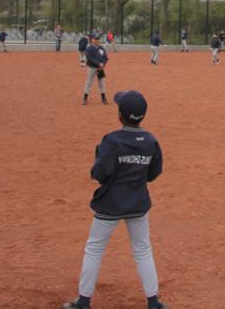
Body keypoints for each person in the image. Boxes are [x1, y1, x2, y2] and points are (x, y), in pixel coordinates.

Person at [63, 90, 166, 309]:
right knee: (143, 250)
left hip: (110, 204)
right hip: (138, 202)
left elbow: (99, 174)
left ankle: (83, 301)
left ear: (120, 115)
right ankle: (153, 302)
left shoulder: (112, 140)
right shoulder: (150, 141)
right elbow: (153, 173)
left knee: (94, 249)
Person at [82, 35, 109, 106]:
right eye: (95, 39)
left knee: (101, 83)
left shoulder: (101, 48)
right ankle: (85, 98)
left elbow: (105, 57)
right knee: (89, 82)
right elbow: (90, 58)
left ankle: (103, 98)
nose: (96, 40)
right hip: (92, 67)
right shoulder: (89, 48)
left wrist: (103, 63)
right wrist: (98, 63)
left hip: (100, 68)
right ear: (91, 40)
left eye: (97, 39)